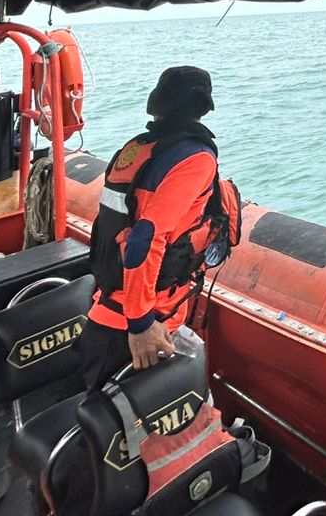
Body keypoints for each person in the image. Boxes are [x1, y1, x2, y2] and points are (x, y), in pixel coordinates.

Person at [80, 64, 224, 391]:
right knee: (134, 433)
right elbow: (145, 237)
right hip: (141, 322)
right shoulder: (196, 159)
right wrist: (141, 323)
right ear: (202, 108)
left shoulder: (136, 149)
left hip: (105, 307)